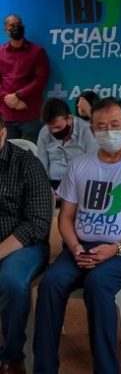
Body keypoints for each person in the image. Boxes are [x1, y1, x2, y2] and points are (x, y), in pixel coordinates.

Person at [33, 98, 121, 374]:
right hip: (81, 247)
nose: (108, 132)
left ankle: (106, 368)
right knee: (51, 284)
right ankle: (44, 367)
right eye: (101, 127)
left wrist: (114, 248)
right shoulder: (80, 165)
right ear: (91, 130)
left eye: (115, 125)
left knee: (98, 284)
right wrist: (74, 246)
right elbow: (66, 217)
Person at [0, 113, 52, 374]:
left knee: (12, 281)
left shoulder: (28, 164)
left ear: (2, 133)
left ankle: (11, 357)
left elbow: (38, 223)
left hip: (23, 245)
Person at [0, 14, 50, 143]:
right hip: (6, 115)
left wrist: (18, 95)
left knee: (31, 152)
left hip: (30, 114)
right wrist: (9, 99)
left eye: (18, 24)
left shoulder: (37, 51)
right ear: (5, 30)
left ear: (23, 27)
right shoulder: (0, 53)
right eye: (12, 25)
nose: (16, 27)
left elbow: (41, 79)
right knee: (8, 152)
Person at [36, 98, 98, 191]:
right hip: (53, 184)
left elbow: (93, 164)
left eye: (58, 127)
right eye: (50, 128)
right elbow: (41, 165)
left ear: (69, 119)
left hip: (80, 183)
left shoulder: (86, 131)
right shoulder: (44, 132)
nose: (54, 131)